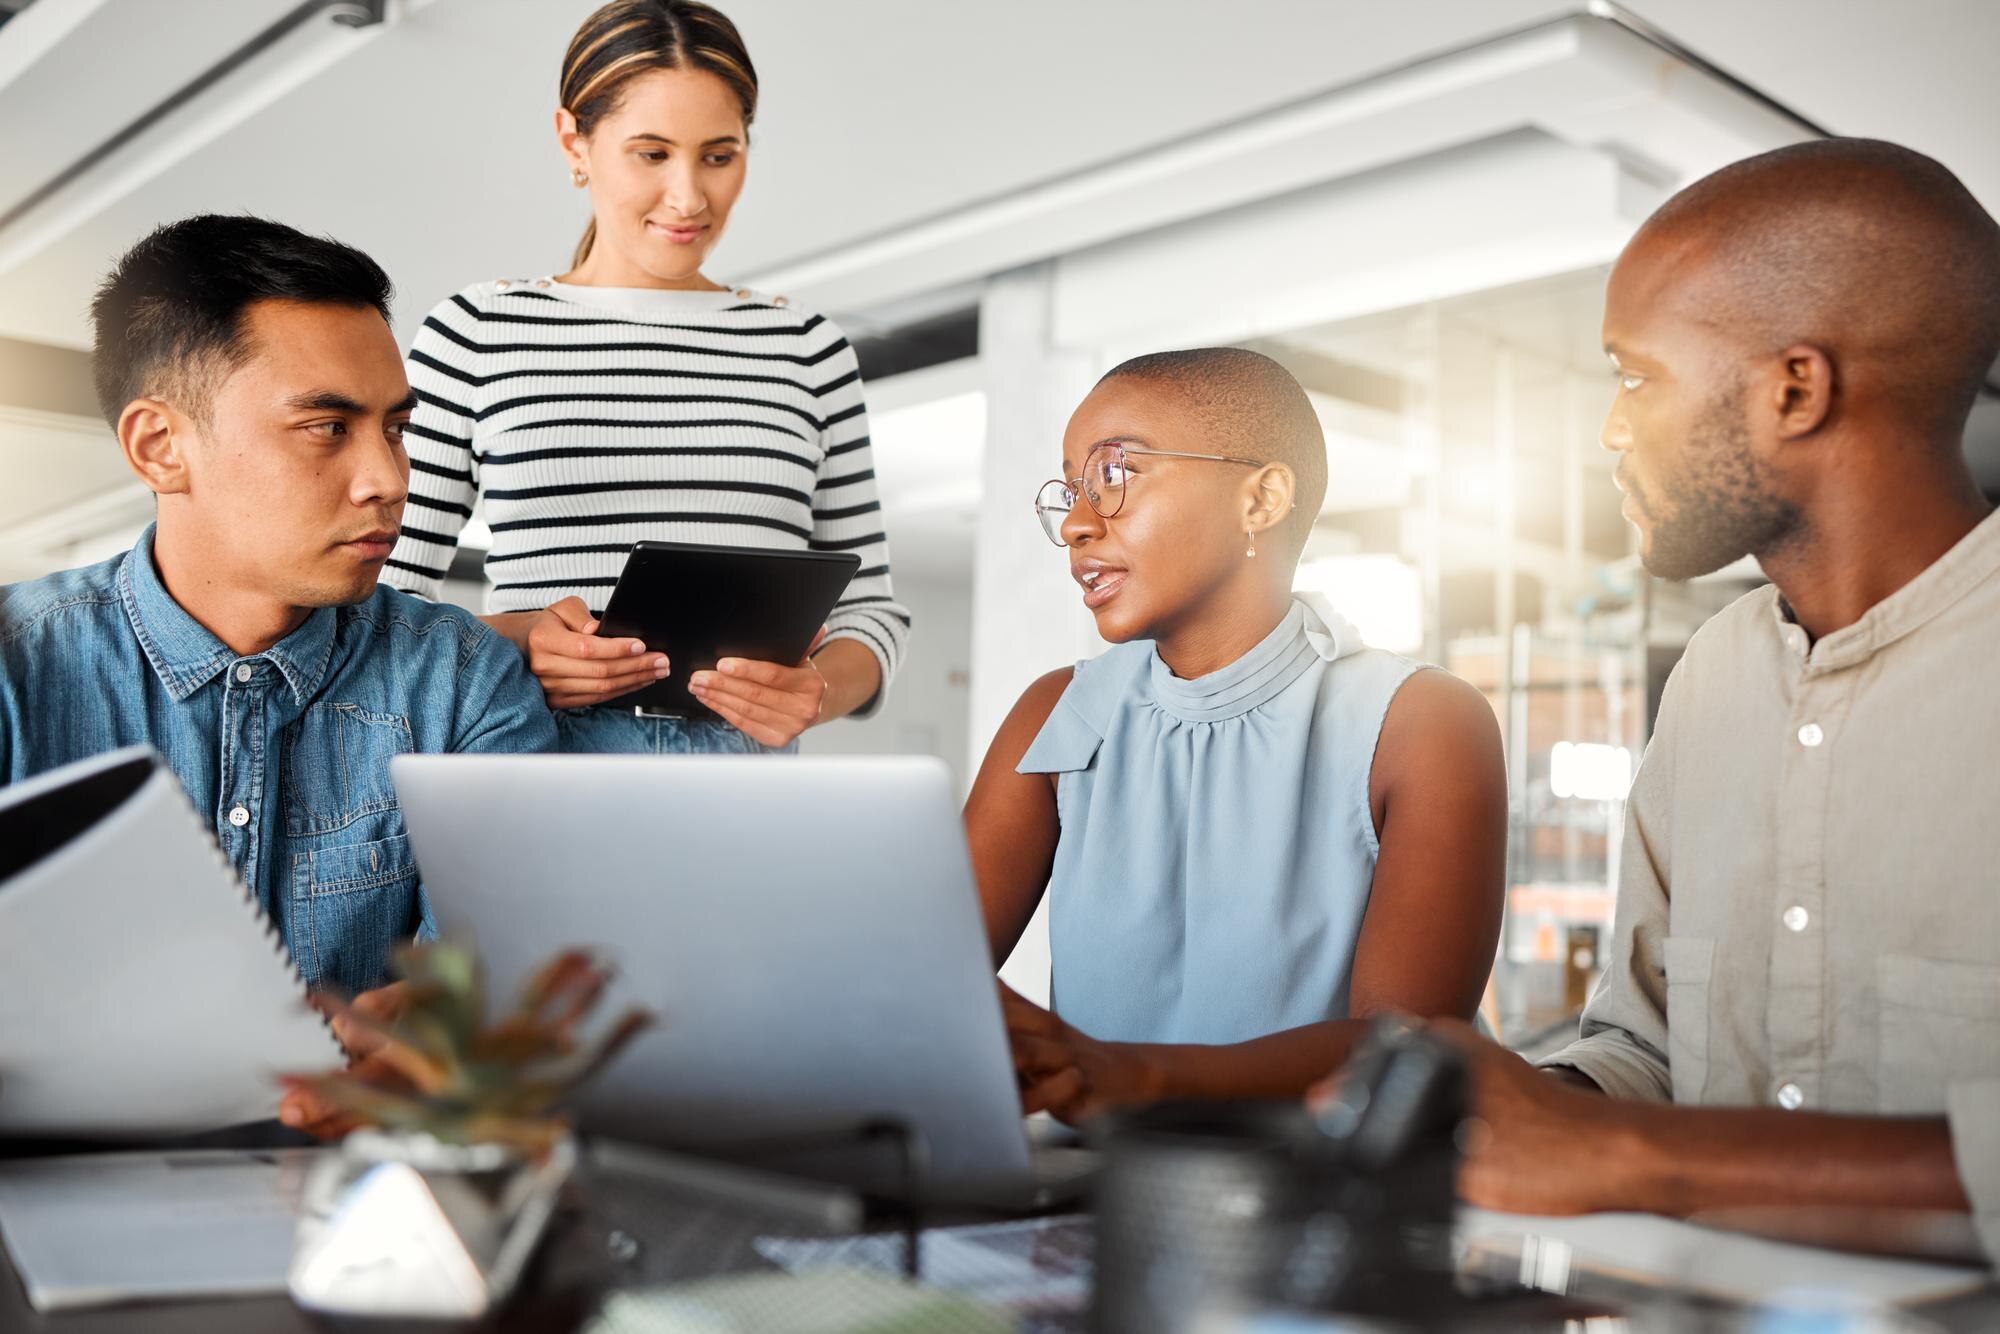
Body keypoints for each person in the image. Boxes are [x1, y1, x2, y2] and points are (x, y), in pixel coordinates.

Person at [1410, 139, 2000, 1262]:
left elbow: (1651, 1141)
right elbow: (1646, 1049)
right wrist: (1515, 1104)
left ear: (1793, 388)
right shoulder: (1716, 677)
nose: (1610, 428)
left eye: (1634, 375)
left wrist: (1638, 1160)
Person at [0, 214, 557, 1009]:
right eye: (327, 428)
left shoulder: (463, 684)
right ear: (160, 445)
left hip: (358, 1135)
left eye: (396, 430)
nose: (389, 480)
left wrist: (425, 1039)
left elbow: (481, 1000)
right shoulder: (14, 671)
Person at [965, 348, 1509, 1122]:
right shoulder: (1057, 711)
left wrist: (1120, 1073)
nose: (1080, 524)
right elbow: (929, 981)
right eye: (1074, 488)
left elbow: (1403, 1054)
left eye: (1116, 473)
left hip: (1330, 1209)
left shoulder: (1422, 722)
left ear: (1261, 499)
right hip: (1101, 1197)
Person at [382, 0, 909, 753]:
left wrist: (818, 691)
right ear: (575, 141)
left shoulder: (807, 347)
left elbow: (870, 613)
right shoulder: (477, 331)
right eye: (652, 154)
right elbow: (383, 603)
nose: (690, 197)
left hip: (742, 780)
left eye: (719, 156)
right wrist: (518, 640)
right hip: (534, 746)